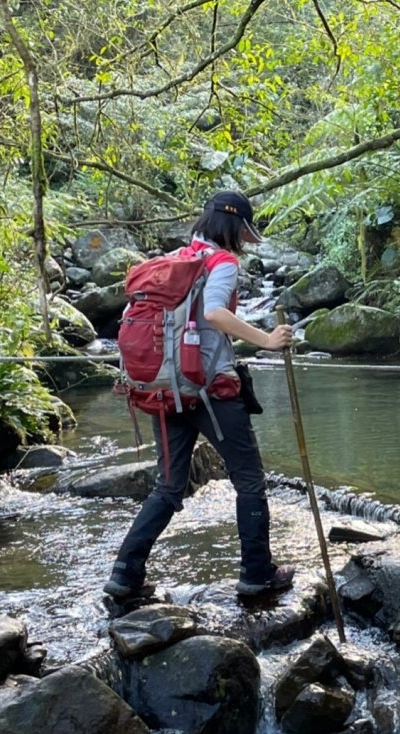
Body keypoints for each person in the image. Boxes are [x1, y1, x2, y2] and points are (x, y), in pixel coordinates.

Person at [104, 190, 296, 600]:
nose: (245, 241)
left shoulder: (177, 259)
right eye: (245, 232)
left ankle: (124, 574)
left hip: (162, 391)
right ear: (236, 228)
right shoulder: (222, 263)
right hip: (212, 393)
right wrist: (266, 340)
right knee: (249, 482)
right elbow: (214, 313)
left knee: (169, 487)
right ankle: (257, 574)